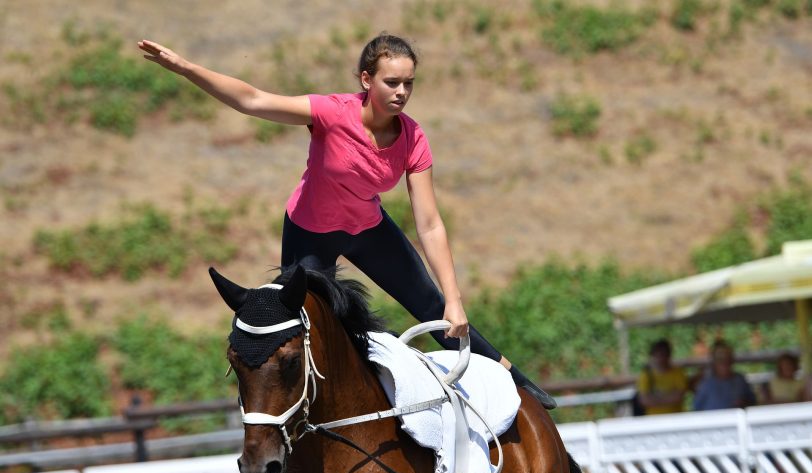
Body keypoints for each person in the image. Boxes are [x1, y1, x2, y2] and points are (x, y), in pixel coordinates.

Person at [136, 33, 556, 409]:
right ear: (366, 80)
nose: (402, 92)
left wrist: (454, 297)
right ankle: (297, 416)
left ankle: (516, 382)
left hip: (367, 229)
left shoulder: (412, 137)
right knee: (303, 323)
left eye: (409, 83)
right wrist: (184, 67)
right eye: (392, 82)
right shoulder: (331, 113)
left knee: (435, 307)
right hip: (309, 233)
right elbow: (252, 100)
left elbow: (429, 223)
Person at [693, 340, 756, 411]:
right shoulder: (705, 384)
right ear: (714, 362)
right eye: (720, 360)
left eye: (728, 359)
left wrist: (744, 403)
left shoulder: (740, 380)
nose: (725, 363)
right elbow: (696, 409)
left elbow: (753, 402)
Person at [635, 339, 689, 415]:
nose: (661, 358)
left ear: (669, 355)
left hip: (676, 417)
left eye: (664, 354)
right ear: (653, 355)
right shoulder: (646, 375)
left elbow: (678, 397)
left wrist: (654, 398)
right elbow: (644, 400)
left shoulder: (678, 373)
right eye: (659, 355)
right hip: (654, 420)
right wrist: (668, 397)